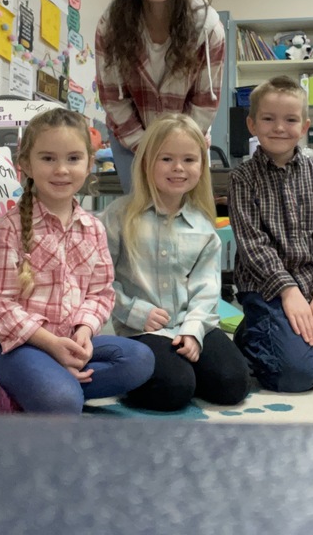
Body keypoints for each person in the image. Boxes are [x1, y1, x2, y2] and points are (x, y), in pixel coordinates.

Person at [0, 108, 154, 414]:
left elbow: (100, 294)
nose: (61, 169)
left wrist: (84, 332)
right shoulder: (9, 228)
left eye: (73, 158)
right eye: (48, 158)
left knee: (140, 360)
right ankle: (45, 390)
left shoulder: (93, 227)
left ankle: (39, 390)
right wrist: (50, 345)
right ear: (26, 164)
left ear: (88, 164)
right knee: (62, 401)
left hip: (70, 342)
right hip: (14, 346)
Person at [229, 76, 313, 393]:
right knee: (295, 377)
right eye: (268, 119)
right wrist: (288, 292)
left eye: (290, 120)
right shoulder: (242, 177)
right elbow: (253, 245)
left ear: (304, 126)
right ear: (252, 124)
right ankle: (252, 331)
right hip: (268, 289)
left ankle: (294, 338)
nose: (280, 127)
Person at [101, 114, 249, 411]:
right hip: (142, 328)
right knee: (173, 390)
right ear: (146, 162)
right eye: (166, 158)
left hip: (190, 322)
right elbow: (99, 281)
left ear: (201, 166)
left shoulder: (202, 225)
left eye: (189, 160)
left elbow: (207, 288)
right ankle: (165, 373)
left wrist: (194, 330)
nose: (178, 168)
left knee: (233, 384)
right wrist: (134, 311)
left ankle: (181, 370)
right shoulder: (118, 216)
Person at [95, 0, 225, 192]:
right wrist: (148, 151)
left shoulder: (208, 29)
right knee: (139, 220)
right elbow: (113, 99)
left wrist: (174, 153)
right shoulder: (110, 28)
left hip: (187, 140)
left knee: (184, 218)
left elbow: (204, 103)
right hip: (131, 140)